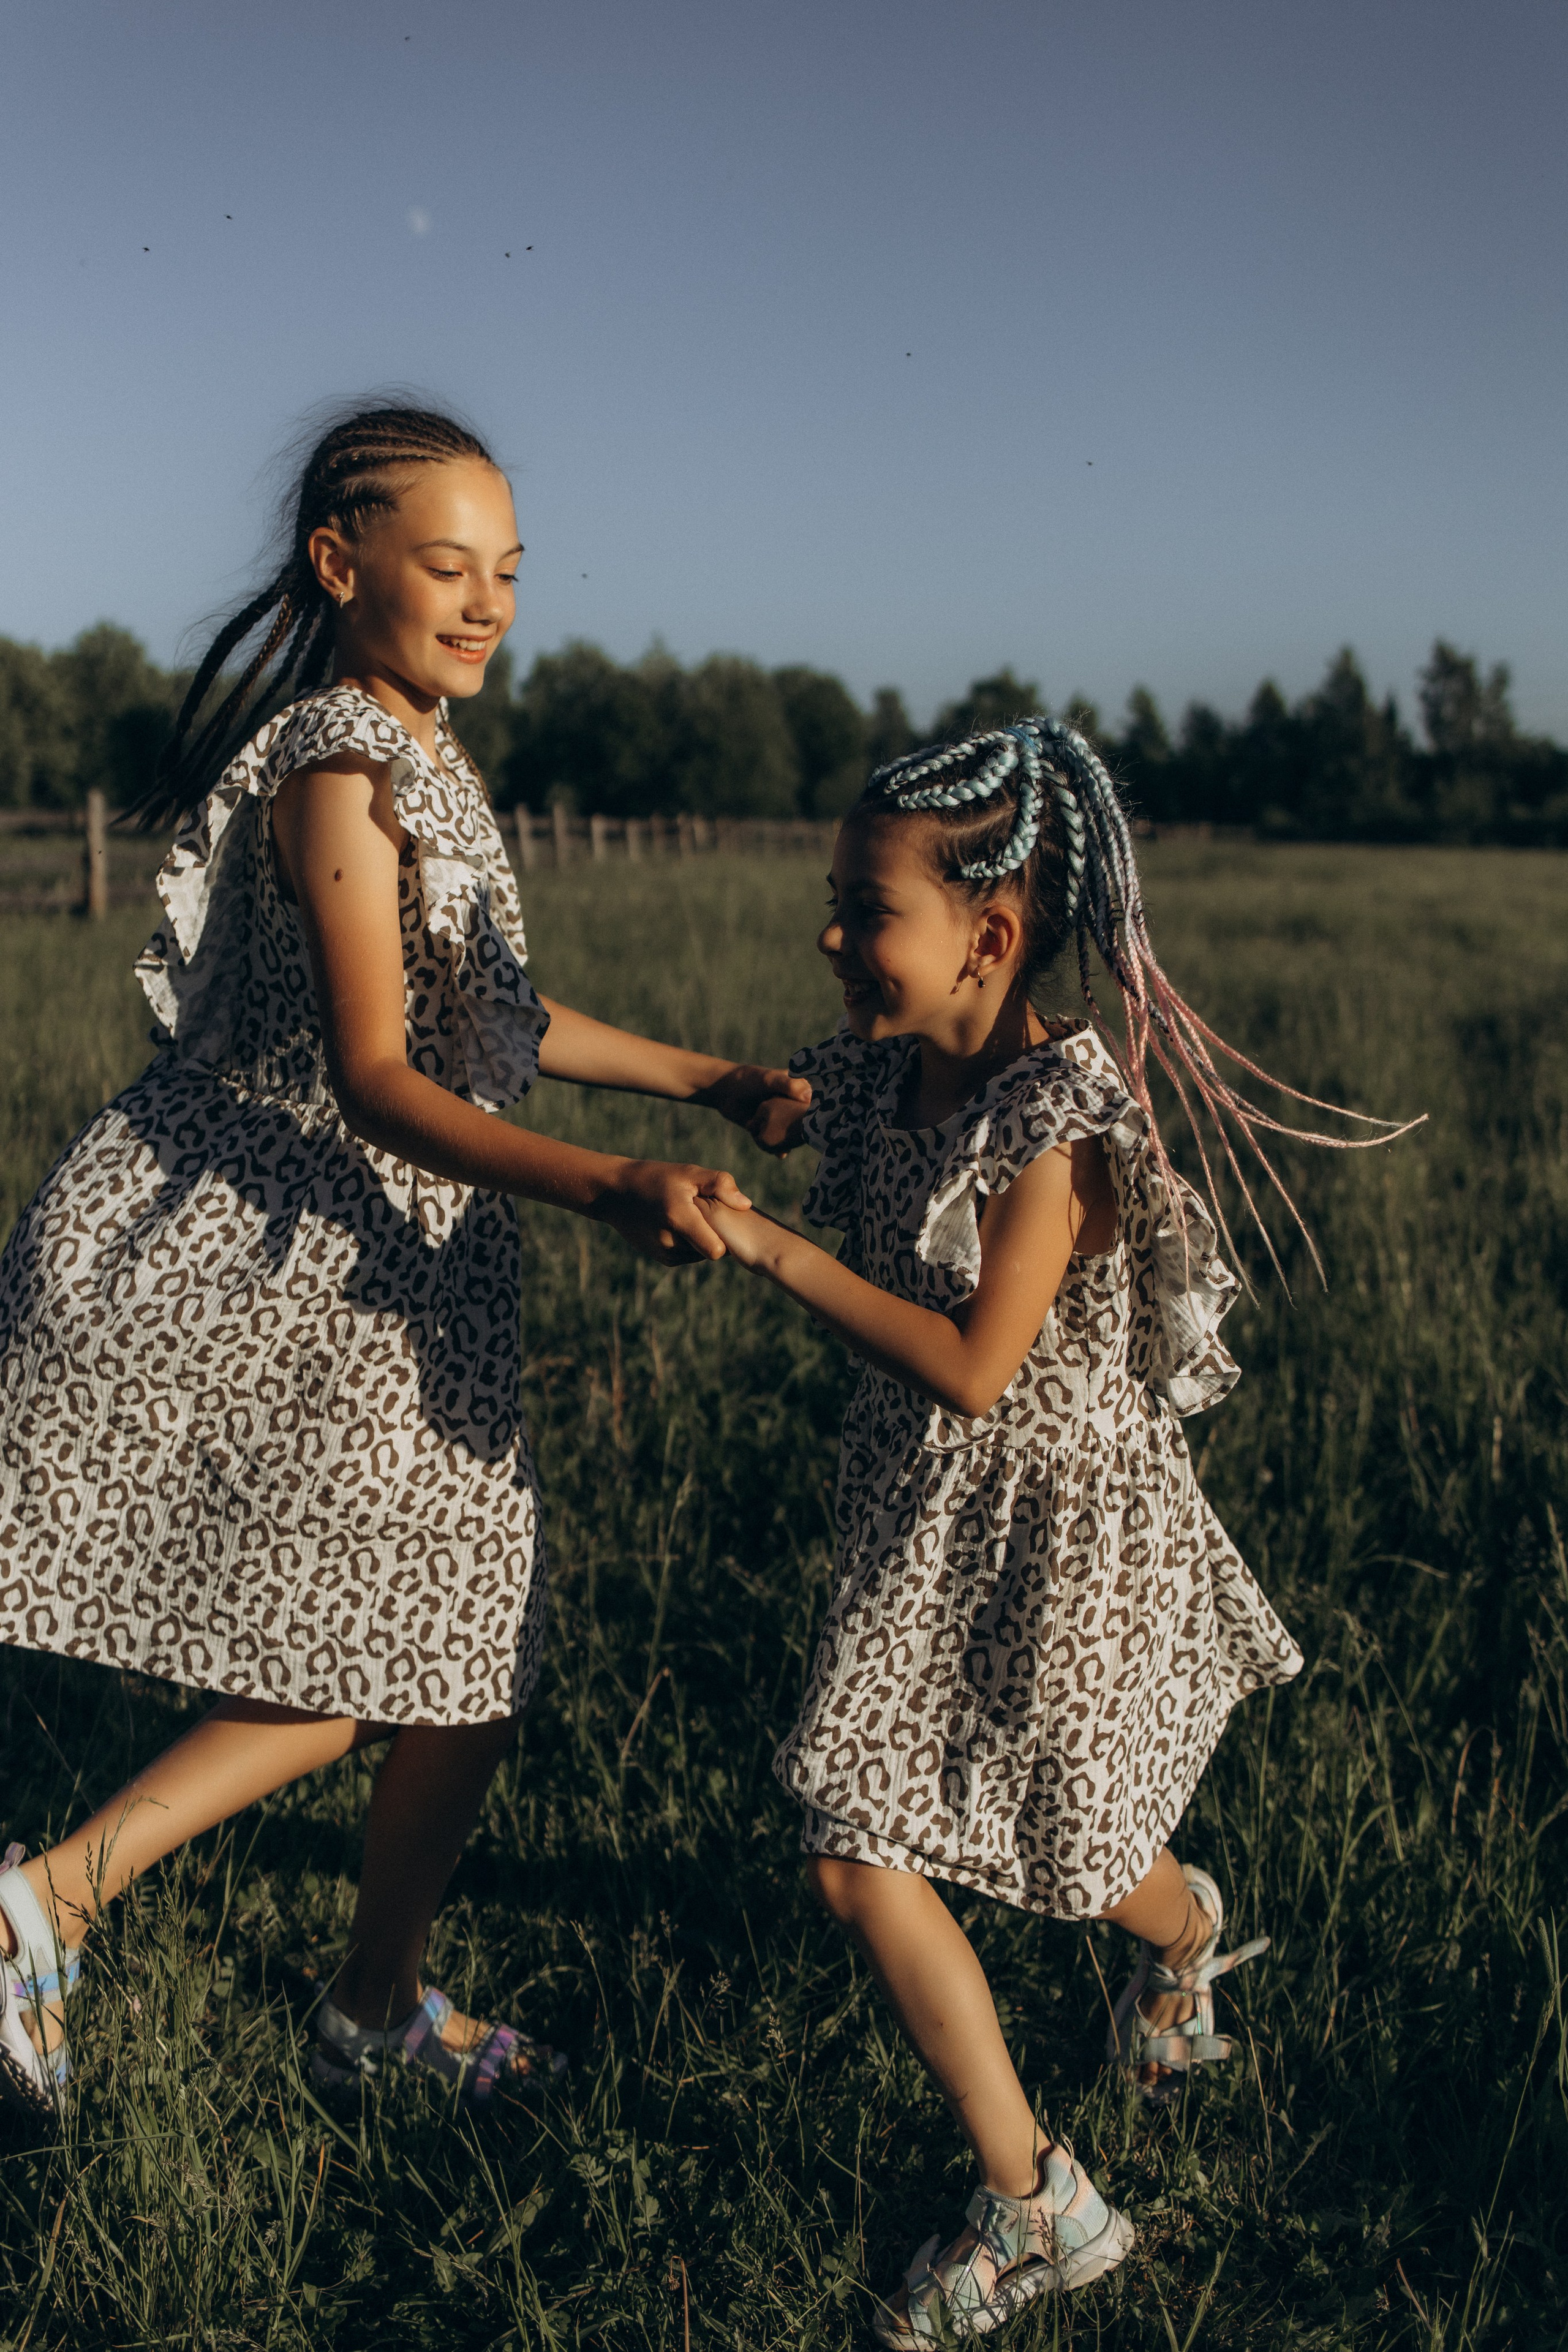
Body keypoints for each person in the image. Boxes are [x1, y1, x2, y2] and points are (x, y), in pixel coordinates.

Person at [0, 401, 804, 2121]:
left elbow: (490, 1020)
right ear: (340, 560)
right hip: (295, 1261)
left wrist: (709, 1081)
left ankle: (369, 2012)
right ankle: (53, 1905)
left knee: (450, 1649)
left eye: (508, 571)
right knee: (385, 1650)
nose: (488, 602)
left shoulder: (412, 751)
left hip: (381, 1268)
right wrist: (608, 1185)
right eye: (449, 566)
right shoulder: (341, 766)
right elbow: (379, 1074)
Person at [704, 717, 1414, 2343]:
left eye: (862, 907)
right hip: (926, 1524)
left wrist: (771, 1254)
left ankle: (1154, 1992)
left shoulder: (1053, 1130)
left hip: (1057, 1530)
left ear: (990, 935)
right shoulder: (894, 1063)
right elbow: (825, 1103)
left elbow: (973, 1368)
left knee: (1070, 1846)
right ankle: (1050, 2188)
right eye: (836, 898)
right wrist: (750, 1103)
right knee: (859, 1847)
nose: (830, 933)